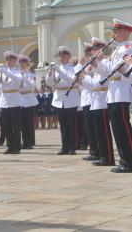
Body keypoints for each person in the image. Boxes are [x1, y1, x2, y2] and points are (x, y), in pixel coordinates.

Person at [93, 19, 132, 173]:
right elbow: (110, 69)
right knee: (117, 129)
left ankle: (129, 162)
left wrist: (104, 60)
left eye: (115, 32)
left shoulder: (127, 48)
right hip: (114, 92)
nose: (113, 35)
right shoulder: (118, 49)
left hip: (121, 91)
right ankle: (124, 160)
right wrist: (99, 61)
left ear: (124, 32)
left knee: (123, 128)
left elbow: (123, 70)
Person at [81, 38, 115, 166]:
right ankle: (103, 156)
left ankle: (108, 158)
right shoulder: (98, 65)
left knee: (104, 131)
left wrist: (84, 76)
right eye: (92, 50)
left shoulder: (106, 63)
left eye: (94, 50)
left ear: (101, 50)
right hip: (96, 101)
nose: (92, 52)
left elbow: (97, 83)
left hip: (102, 100)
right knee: (99, 131)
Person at [45, 46, 80, 155]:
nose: (61, 57)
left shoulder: (73, 68)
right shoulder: (56, 69)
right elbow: (49, 84)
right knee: (63, 126)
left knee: (72, 125)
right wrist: (50, 73)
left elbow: (72, 80)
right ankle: (64, 147)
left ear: (68, 56)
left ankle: (72, 147)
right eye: (60, 55)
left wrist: (59, 71)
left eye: (63, 55)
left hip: (71, 98)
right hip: (59, 99)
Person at [0, 51, 23, 154]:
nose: (8, 61)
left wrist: (5, 71)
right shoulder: (2, 71)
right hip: (4, 101)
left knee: (16, 126)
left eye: (10, 59)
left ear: (15, 61)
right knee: (6, 126)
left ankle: (17, 147)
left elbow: (18, 81)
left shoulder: (17, 71)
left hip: (14, 100)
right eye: (7, 59)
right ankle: (10, 146)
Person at [18, 55, 38, 149]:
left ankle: (30, 142)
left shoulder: (32, 75)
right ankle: (24, 142)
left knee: (29, 123)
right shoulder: (17, 74)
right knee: (22, 123)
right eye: (20, 63)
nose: (22, 64)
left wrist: (23, 76)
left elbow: (32, 86)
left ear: (27, 64)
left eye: (23, 62)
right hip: (20, 99)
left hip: (29, 99)